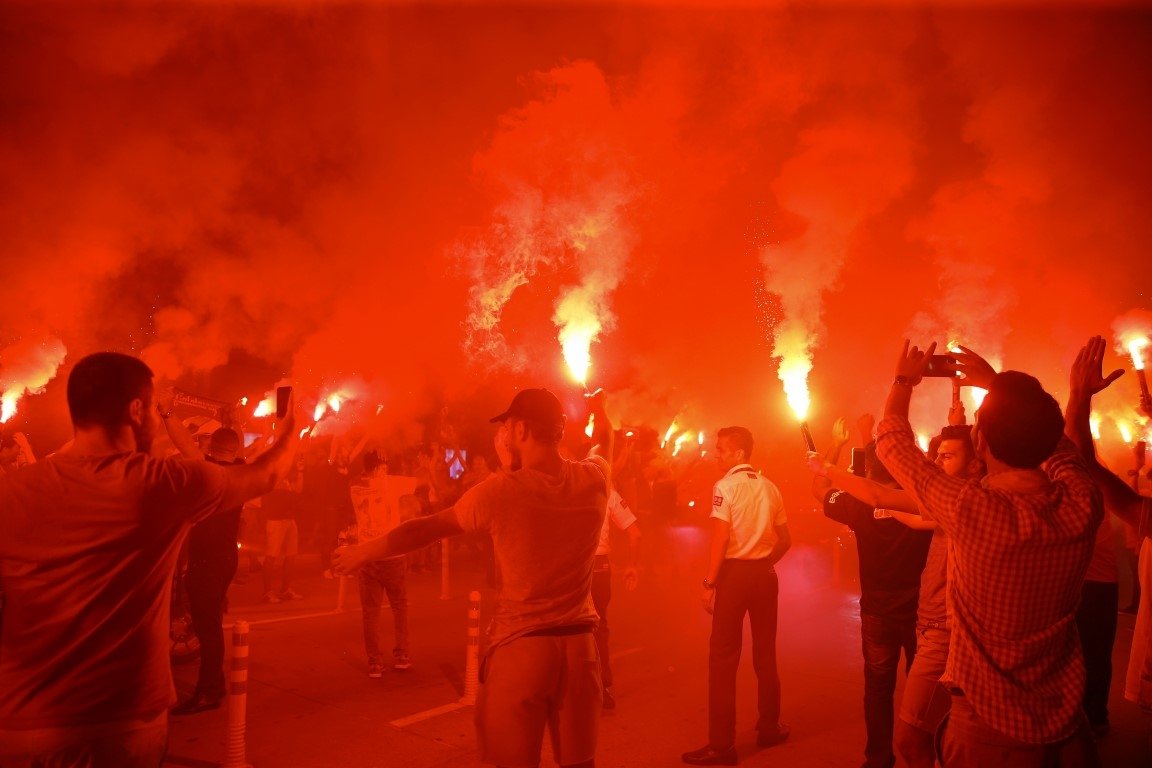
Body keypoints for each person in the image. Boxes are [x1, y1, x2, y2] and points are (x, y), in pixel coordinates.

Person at [0, 352, 296, 768]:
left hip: (26, 724)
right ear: (137, 410)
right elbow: (267, 474)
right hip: (127, 723)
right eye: (153, 410)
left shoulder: (11, 490)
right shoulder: (165, 484)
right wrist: (289, 429)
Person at [334, 388, 608, 768]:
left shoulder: (498, 493)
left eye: (508, 428)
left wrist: (363, 551)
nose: (502, 436)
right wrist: (597, 408)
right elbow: (601, 448)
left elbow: (423, 530)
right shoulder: (595, 480)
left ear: (523, 432)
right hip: (580, 651)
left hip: (522, 652)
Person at [876, 341, 1102, 767]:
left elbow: (892, 443)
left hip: (985, 731)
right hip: (1065, 723)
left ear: (981, 442)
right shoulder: (1081, 501)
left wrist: (904, 380)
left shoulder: (971, 509)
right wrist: (1000, 388)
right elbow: (1058, 445)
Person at [807, 418, 932, 768]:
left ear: (871, 474)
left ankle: (878, 758)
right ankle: (929, 755)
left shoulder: (859, 504)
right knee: (927, 689)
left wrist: (833, 449)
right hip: (922, 610)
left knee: (878, 687)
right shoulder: (922, 501)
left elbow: (819, 490)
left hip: (879, 610)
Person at [682, 426, 791, 767]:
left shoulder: (725, 487)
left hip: (734, 577)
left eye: (722, 450)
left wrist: (709, 582)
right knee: (765, 653)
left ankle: (722, 746)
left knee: (723, 659)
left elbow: (721, 540)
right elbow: (785, 539)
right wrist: (763, 562)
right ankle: (769, 727)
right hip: (764, 576)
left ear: (740, 454)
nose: (717, 455)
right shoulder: (771, 488)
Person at [1063, 336, 1152, 720]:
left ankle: (1092, 717)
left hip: (1099, 579)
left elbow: (1082, 460)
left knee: (1095, 653)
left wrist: (1080, 396)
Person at [160, 423, 247, 715]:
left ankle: (209, 690)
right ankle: (215, 684)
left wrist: (167, 414)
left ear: (211, 447)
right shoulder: (243, 471)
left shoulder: (209, 469)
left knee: (208, 627)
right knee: (209, 624)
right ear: (235, 450)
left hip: (207, 560)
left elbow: (184, 445)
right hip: (225, 558)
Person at [350, 449, 411, 676]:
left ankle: (375, 662)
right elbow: (419, 483)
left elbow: (354, 476)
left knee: (370, 612)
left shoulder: (355, 488)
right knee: (400, 607)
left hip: (367, 557)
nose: (386, 470)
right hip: (392, 556)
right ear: (377, 469)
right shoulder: (391, 484)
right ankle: (402, 654)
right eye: (383, 467)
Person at [594, 488, 641, 711]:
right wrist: (632, 564)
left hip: (573, 567)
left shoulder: (565, 483)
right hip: (599, 566)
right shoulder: (608, 492)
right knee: (599, 626)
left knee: (566, 626)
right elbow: (635, 532)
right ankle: (604, 689)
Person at [262, 457, 305, 603]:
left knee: (291, 555)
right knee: (271, 557)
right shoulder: (272, 477)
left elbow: (298, 490)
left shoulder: (287, 479)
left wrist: (300, 471)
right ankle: (267, 592)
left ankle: (286, 590)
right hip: (275, 521)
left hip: (289, 519)